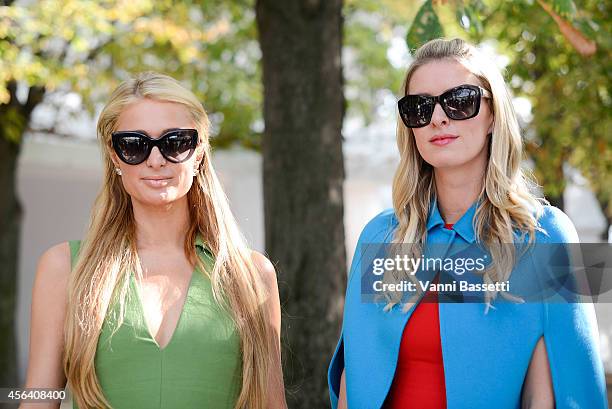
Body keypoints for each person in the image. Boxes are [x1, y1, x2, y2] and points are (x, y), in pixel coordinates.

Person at [328, 38, 607, 408]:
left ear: (493, 114)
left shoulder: (549, 235)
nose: (439, 118)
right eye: (420, 107)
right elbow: (354, 375)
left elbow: (575, 386)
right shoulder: (379, 236)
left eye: (460, 101)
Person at [22, 72, 287, 409]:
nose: (156, 160)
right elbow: (38, 399)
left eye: (176, 142)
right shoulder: (65, 268)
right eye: (134, 145)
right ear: (114, 155)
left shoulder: (251, 275)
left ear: (200, 151)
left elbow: (271, 404)